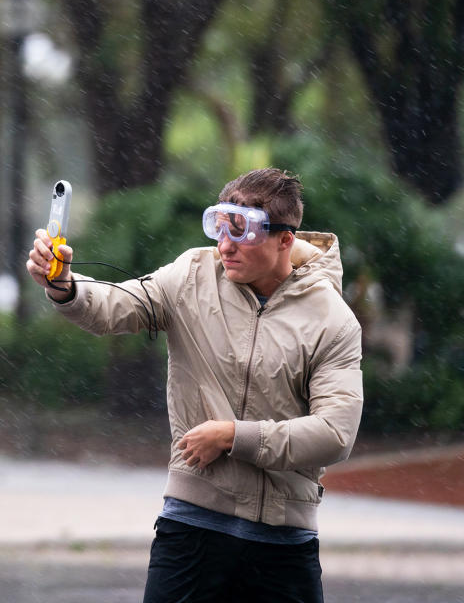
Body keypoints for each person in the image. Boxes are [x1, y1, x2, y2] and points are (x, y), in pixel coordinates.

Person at [25, 168, 363, 603]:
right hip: (192, 526)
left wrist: (232, 436)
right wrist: (65, 287)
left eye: (242, 234)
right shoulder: (191, 274)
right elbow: (117, 305)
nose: (224, 246)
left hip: (284, 540)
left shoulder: (332, 321)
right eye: (219, 229)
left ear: (284, 239)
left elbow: (335, 434)